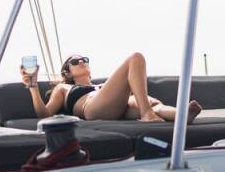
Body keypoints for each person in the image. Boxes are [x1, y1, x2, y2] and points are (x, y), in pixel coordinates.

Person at [20, 52, 202, 122]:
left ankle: (182, 115)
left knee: (154, 104)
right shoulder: (63, 88)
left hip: (118, 107)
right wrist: (33, 86)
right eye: (75, 61)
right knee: (135, 58)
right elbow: (45, 114)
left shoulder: (99, 86)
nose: (82, 61)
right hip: (93, 109)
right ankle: (146, 114)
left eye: (84, 59)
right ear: (67, 73)